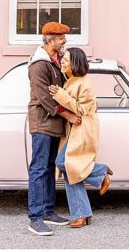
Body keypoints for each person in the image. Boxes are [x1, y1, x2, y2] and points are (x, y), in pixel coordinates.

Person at [27, 21, 80, 236]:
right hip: (42, 121)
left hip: (53, 123)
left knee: (50, 168)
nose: (65, 41)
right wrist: (68, 114)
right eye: (61, 39)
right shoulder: (39, 64)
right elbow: (46, 98)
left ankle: (49, 211)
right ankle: (36, 218)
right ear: (50, 41)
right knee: (39, 169)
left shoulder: (55, 60)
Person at [51, 47, 112, 227]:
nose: (62, 61)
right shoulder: (71, 81)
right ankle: (81, 213)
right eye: (63, 59)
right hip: (75, 129)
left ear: (76, 62)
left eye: (66, 60)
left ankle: (99, 172)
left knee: (64, 163)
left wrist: (61, 96)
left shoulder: (84, 82)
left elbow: (83, 109)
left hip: (84, 129)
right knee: (71, 171)